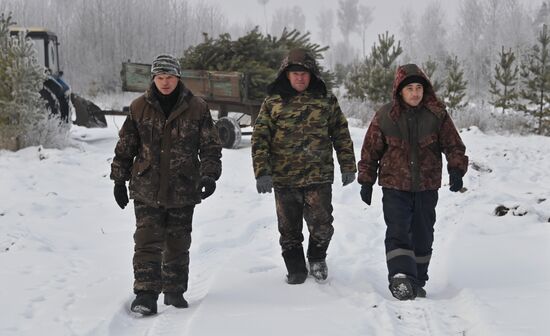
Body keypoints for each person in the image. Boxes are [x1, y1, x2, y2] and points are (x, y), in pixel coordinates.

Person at [110, 54, 222, 315]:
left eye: (169, 77)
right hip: (147, 187)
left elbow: (210, 147)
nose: (164, 82)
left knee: (178, 241)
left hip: (183, 186)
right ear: (153, 79)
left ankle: (174, 291)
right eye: (159, 77)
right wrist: (118, 178)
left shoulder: (197, 108)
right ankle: (146, 295)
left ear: (178, 77)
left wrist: (209, 175)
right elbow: (126, 146)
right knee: (147, 240)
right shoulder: (139, 107)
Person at [357, 63, 468, 300]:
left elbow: (453, 145)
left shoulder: (437, 115)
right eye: (410, 89)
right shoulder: (385, 116)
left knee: (423, 233)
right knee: (398, 230)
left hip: (427, 186)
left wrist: (456, 169)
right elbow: (370, 150)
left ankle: (417, 279)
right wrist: (366, 181)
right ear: (400, 91)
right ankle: (399, 276)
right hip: (394, 186)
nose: (415, 93)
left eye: (419, 87)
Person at [251, 48, 357, 285]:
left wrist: (347, 164)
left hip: (318, 176)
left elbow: (340, 133)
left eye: (304, 73)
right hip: (284, 178)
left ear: (312, 75)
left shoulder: (326, 100)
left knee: (322, 225)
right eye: (295, 73)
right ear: (286, 75)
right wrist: (262, 171)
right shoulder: (273, 102)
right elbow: (260, 138)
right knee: (289, 229)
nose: (300, 78)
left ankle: (317, 257)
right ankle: (296, 265)